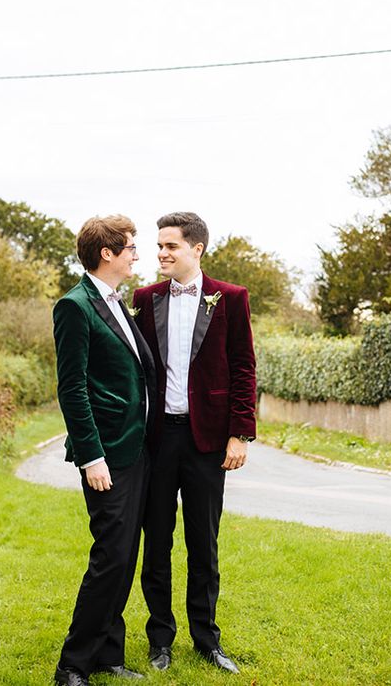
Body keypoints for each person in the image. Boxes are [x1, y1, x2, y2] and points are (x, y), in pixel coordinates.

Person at [133, 211, 256, 675]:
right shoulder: (144, 299)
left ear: (197, 249)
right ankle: (159, 640)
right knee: (157, 542)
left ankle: (207, 640)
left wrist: (239, 433)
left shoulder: (230, 298)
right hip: (158, 439)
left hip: (208, 442)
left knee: (204, 544)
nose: (161, 254)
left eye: (171, 246)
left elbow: (244, 367)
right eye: (159, 246)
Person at [52, 215, 156, 686]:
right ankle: (72, 665)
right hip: (107, 454)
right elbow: (72, 389)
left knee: (125, 554)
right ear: (107, 254)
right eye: (131, 247)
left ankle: (109, 655)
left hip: (137, 450)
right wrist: (93, 457)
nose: (138, 254)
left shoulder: (118, 302)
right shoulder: (75, 306)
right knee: (110, 557)